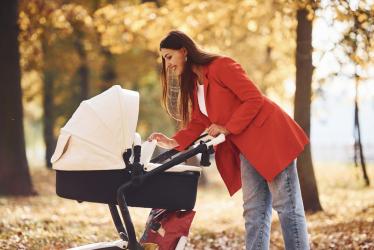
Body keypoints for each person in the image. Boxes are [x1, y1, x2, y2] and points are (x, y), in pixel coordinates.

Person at [148, 30, 310, 250]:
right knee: (254, 211)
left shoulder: (221, 66)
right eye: (164, 59)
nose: (167, 64)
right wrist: (173, 142)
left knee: (287, 207)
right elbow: (198, 121)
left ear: (184, 51)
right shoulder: (197, 84)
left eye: (169, 57)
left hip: (270, 138)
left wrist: (227, 127)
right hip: (247, 148)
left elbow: (253, 98)